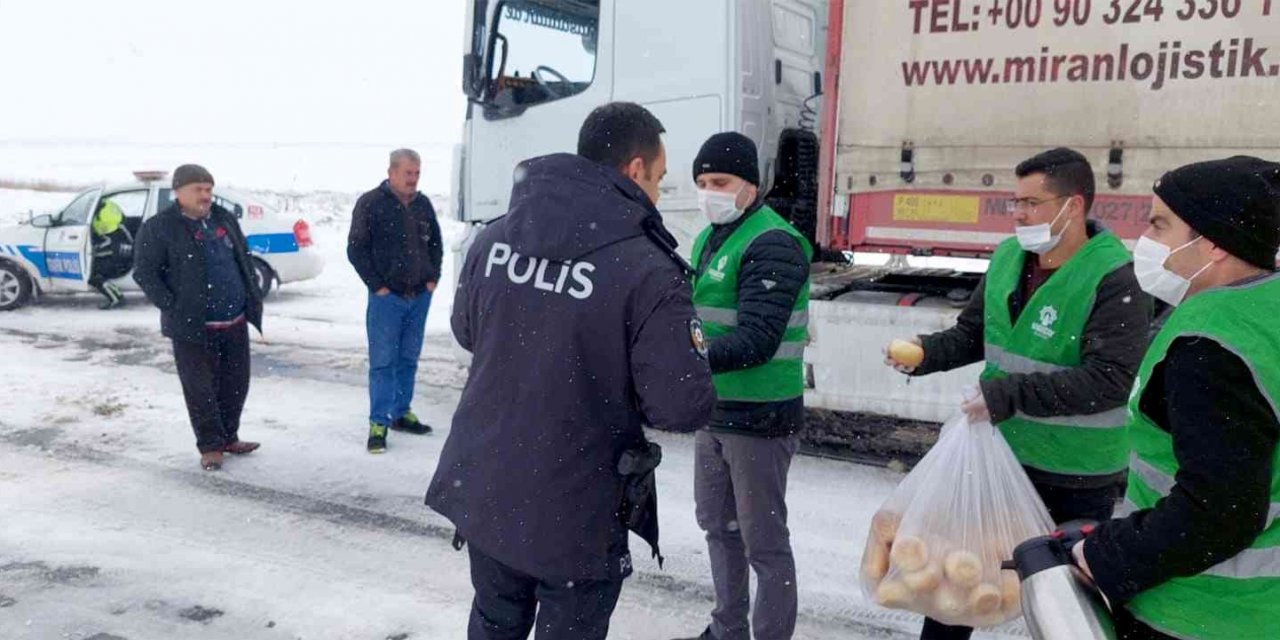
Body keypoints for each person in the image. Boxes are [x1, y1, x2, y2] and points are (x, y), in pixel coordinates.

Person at [425, 102, 716, 640]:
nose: (657, 193)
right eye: (658, 178)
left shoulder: (494, 240)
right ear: (634, 170)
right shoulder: (649, 270)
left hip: (489, 485)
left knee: (494, 622)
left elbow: (469, 332)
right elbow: (679, 405)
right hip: (577, 508)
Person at [885, 148, 1153, 640]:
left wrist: (1006, 395)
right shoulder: (1010, 257)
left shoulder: (1116, 276)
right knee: (955, 589)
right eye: (1016, 203)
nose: (1019, 215)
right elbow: (974, 334)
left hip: (1075, 474)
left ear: (1073, 206)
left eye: (1031, 203)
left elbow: (1110, 380)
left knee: (1066, 614)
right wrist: (926, 353)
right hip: (1001, 459)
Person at [1073, 156, 1280, 640]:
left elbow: (1218, 513)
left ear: (1213, 242)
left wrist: (1105, 555)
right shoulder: (1266, 310)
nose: (1146, 241)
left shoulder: (1211, 345)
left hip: (1203, 611)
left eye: (1160, 225)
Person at [674, 132, 811, 640]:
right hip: (716, 411)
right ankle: (726, 628)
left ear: (750, 185)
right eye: (703, 182)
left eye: (721, 181)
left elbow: (757, 339)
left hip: (761, 418)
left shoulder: (772, 242)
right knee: (718, 527)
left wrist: (683, 359)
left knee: (764, 545)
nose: (710, 191)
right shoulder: (713, 235)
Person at [133, 165, 263, 471]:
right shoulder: (160, 227)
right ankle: (210, 446)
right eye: (198, 189)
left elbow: (241, 255)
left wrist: (250, 292)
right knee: (200, 389)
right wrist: (173, 306)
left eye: (208, 189)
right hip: (193, 327)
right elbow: (145, 273)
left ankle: (229, 436)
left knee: (235, 384)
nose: (205, 196)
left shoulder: (222, 218)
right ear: (178, 192)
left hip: (233, 320)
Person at [347, 148, 444, 453]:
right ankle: (379, 423)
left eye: (417, 173)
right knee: (383, 361)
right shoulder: (371, 203)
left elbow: (437, 245)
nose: (413, 179)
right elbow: (356, 249)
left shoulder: (423, 205)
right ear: (391, 172)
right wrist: (377, 286)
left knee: (408, 359)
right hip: (387, 300)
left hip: (419, 297)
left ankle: (401, 412)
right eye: (408, 173)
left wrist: (432, 278)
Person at [88, 198, 133, 309]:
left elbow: (106, 250)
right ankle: (117, 294)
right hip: (125, 258)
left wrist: (92, 252)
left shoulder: (111, 237)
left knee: (92, 276)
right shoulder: (120, 228)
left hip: (121, 262)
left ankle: (115, 298)